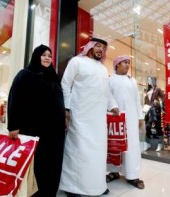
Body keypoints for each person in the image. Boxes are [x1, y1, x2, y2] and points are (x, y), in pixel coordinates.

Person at [59, 38, 119, 197]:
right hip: (80, 115)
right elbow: (65, 84)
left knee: (97, 153)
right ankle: (72, 187)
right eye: (98, 46)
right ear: (89, 47)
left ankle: (96, 185)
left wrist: (113, 105)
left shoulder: (102, 68)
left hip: (98, 118)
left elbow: (107, 92)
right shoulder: (76, 62)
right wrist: (66, 108)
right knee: (78, 150)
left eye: (104, 48)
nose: (101, 50)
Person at [7, 45, 66, 197]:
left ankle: (49, 192)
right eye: (43, 55)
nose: (47, 58)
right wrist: (13, 126)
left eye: (49, 55)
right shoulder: (25, 75)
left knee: (52, 164)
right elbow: (14, 100)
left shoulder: (53, 77)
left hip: (54, 133)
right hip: (33, 130)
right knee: (36, 164)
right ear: (36, 56)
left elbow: (60, 101)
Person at [106, 55, 145, 189]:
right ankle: (114, 171)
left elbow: (137, 100)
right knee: (115, 145)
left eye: (129, 63)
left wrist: (140, 117)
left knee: (132, 146)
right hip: (115, 118)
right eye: (125, 62)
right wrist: (112, 107)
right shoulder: (110, 80)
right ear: (117, 64)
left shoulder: (132, 81)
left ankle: (132, 175)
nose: (128, 65)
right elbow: (107, 96)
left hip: (131, 119)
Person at [143, 76, 164, 151]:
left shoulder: (157, 89)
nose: (149, 81)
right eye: (148, 80)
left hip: (155, 110)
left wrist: (159, 102)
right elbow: (146, 101)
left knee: (158, 127)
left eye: (150, 80)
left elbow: (163, 97)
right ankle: (147, 143)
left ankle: (159, 144)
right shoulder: (148, 90)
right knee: (147, 127)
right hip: (148, 110)